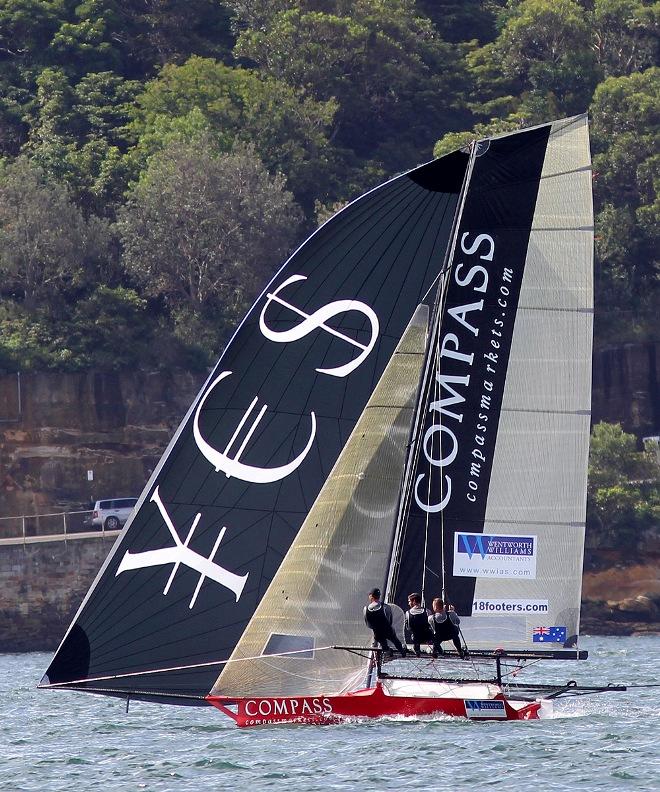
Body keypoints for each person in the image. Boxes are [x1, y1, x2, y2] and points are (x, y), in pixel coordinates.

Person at [364, 588, 407, 657]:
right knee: (396, 641)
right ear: (379, 596)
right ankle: (402, 652)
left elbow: (368, 624)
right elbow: (390, 620)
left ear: (371, 596)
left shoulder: (366, 608)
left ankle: (388, 650)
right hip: (388, 630)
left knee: (383, 644)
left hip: (377, 633)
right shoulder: (386, 607)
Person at [404, 593, 434, 657]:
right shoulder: (427, 611)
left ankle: (417, 649)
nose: (408, 604)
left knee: (414, 635)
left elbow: (408, 628)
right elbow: (432, 626)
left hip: (416, 638)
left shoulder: (407, 613)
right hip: (428, 636)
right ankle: (436, 649)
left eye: (409, 601)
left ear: (414, 601)